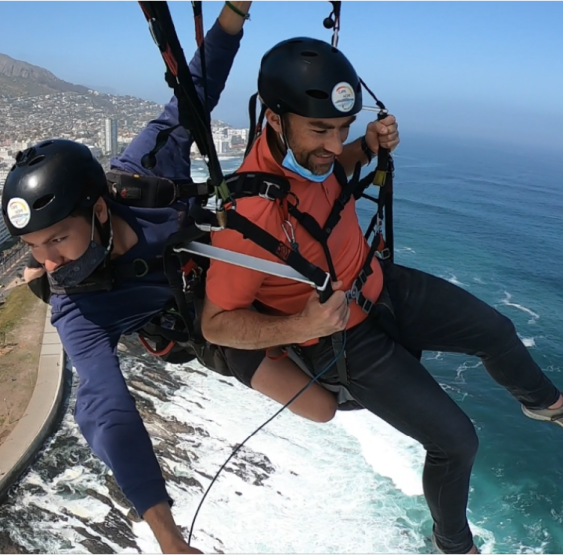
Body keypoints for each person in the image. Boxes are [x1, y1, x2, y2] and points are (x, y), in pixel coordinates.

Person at [199, 36, 563, 554]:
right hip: (339, 339)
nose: (331, 144)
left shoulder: (319, 160)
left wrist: (368, 142)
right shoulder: (246, 215)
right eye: (320, 129)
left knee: (498, 331)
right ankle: (452, 543)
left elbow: (337, 167)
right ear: (275, 121)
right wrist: (299, 328)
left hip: (380, 285)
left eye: (341, 128)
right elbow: (216, 322)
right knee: (456, 443)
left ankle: (545, 404)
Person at [2, 3, 332, 553]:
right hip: (206, 328)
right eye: (35, 249)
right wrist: (168, 537)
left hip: (231, 272)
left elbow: (192, 94)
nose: (51, 261)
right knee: (319, 407)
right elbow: (107, 411)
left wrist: (233, 13)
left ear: (100, 210)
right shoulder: (76, 308)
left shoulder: (142, 174)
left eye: (57, 239)